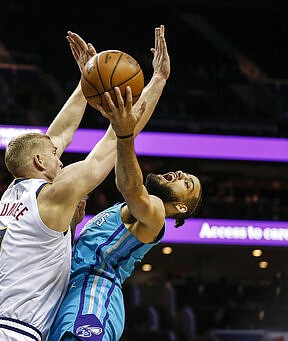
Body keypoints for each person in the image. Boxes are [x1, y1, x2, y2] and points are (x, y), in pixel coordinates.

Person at [0, 26, 169, 341]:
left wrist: (85, 84)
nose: (60, 160)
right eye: (54, 156)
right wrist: (158, 81)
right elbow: (112, 144)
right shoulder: (54, 194)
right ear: (39, 163)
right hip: (14, 334)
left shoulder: (14, 191)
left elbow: (57, 135)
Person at [47, 26, 203, 341]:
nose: (179, 174)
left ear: (181, 206)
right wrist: (158, 79)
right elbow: (114, 138)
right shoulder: (127, 211)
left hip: (95, 294)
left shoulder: (156, 213)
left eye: (187, 183)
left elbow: (130, 185)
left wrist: (124, 134)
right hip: (71, 291)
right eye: (183, 173)